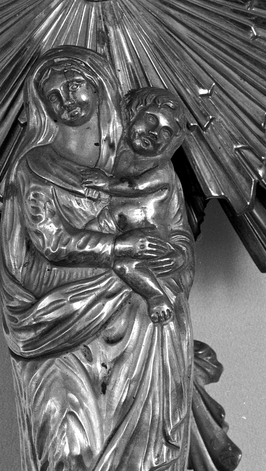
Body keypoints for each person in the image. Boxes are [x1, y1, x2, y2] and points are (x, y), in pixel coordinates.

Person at [0, 47, 196, 471]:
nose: (68, 98)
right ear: (40, 103)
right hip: (55, 330)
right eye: (54, 90)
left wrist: (164, 266)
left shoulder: (143, 171)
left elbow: (177, 248)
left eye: (78, 84)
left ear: (104, 90)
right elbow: (49, 242)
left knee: (143, 456)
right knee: (69, 448)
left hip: (139, 335)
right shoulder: (35, 168)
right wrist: (123, 253)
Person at [81, 87, 192, 324]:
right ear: (132, 114)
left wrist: (106, 184)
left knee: (124, 265)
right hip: (111, 228)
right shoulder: (99, 151)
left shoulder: (162, 169)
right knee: (85, 246)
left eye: (165, 132)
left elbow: (136, 187)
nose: (154, 133)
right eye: (151, 119)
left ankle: (156, 296)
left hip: (149, 240)